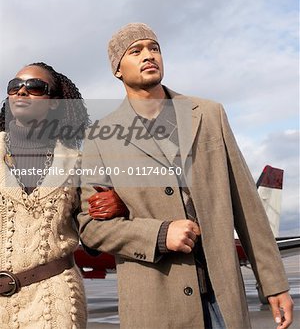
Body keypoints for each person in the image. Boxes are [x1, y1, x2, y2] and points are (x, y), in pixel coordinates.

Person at [78, 23, 294, 329]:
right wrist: (159, 235)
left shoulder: (209, 113)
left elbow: (247, 205)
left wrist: (274, 283)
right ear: (117, 69)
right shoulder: (100, 137)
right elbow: (90, 227)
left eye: (154, 48)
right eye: (135, 51)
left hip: (224, 297)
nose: (148, 55)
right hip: (154, 305)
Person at [0, 62, 90, 329]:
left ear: (54, 102)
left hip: (56, 300)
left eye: (35, 87)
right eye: (15, 86)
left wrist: (112, 207)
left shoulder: (79, 160)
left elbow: (94, 233)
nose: (22, 92)